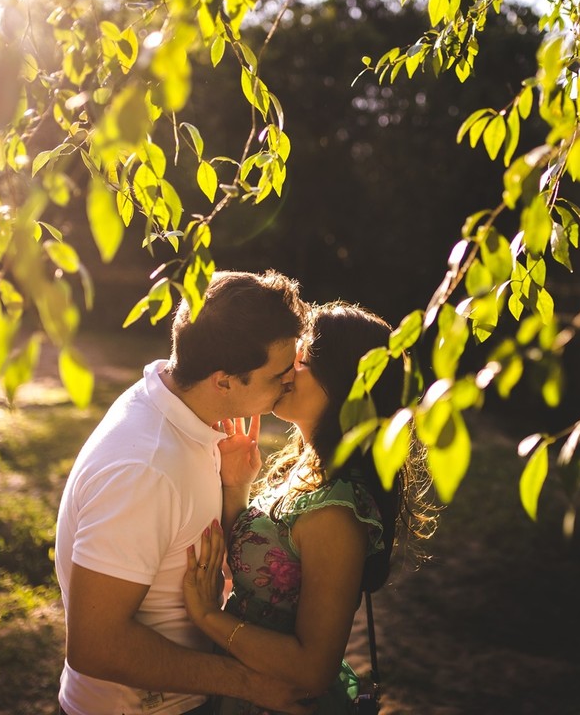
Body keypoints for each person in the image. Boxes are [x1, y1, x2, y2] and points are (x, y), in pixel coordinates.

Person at [54, 270, 314, 715]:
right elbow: (95, 646)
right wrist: (249, 684)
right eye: (278, 374)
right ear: (224, 381)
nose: (290, 381)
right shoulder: (145, 470)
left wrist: (233, 486)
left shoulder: (179, 406)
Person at [183, 302, 437, 714]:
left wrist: (210, 617)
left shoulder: (335, 514)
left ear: (343, 384)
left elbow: (313, 669)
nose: (285, 371)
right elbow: (253, 567)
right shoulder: (303, 468)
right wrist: (237, 484)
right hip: (240, 688)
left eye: (300, 360)